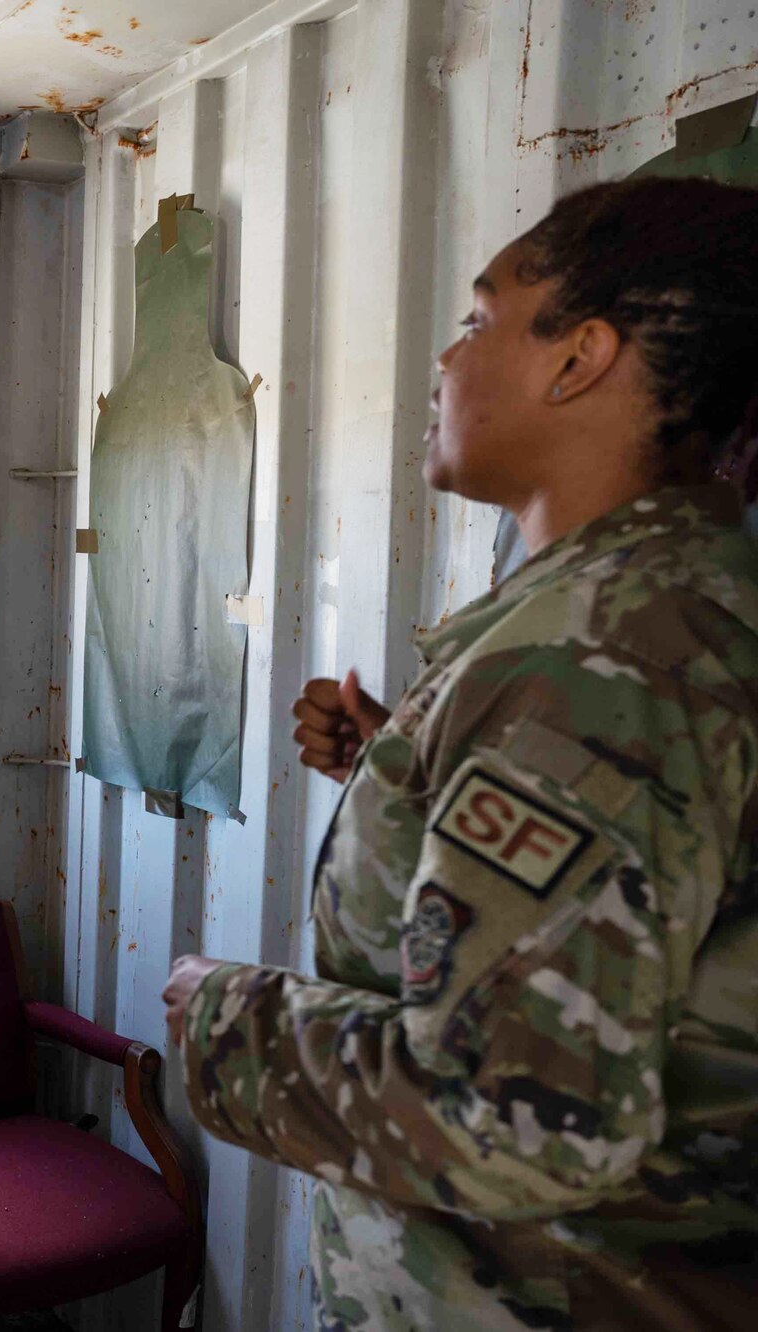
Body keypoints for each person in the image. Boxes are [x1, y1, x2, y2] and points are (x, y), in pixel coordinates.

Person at [163, 177, 758, 1329]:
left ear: (578, 358)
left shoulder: (599, 657)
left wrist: (217, 1016)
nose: (445, 358)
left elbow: (521, 1120)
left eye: (479, 321)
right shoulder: (637, 613)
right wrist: (411, 768)